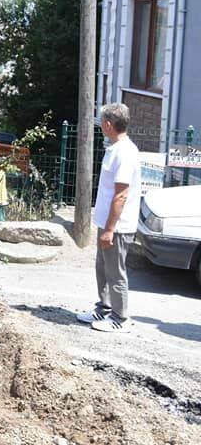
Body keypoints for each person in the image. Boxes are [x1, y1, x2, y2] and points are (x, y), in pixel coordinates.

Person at [76, 103, 141, 333]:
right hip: (107, 223)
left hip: (118, 227)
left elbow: (121, 195)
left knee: (115, 272)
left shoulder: (124, 153)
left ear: (108, 124)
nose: (101, 124)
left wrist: (110, 229)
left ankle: (120, 318)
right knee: (102, 268)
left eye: (102, 121)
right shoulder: (115, 148)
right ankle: (103, 308)